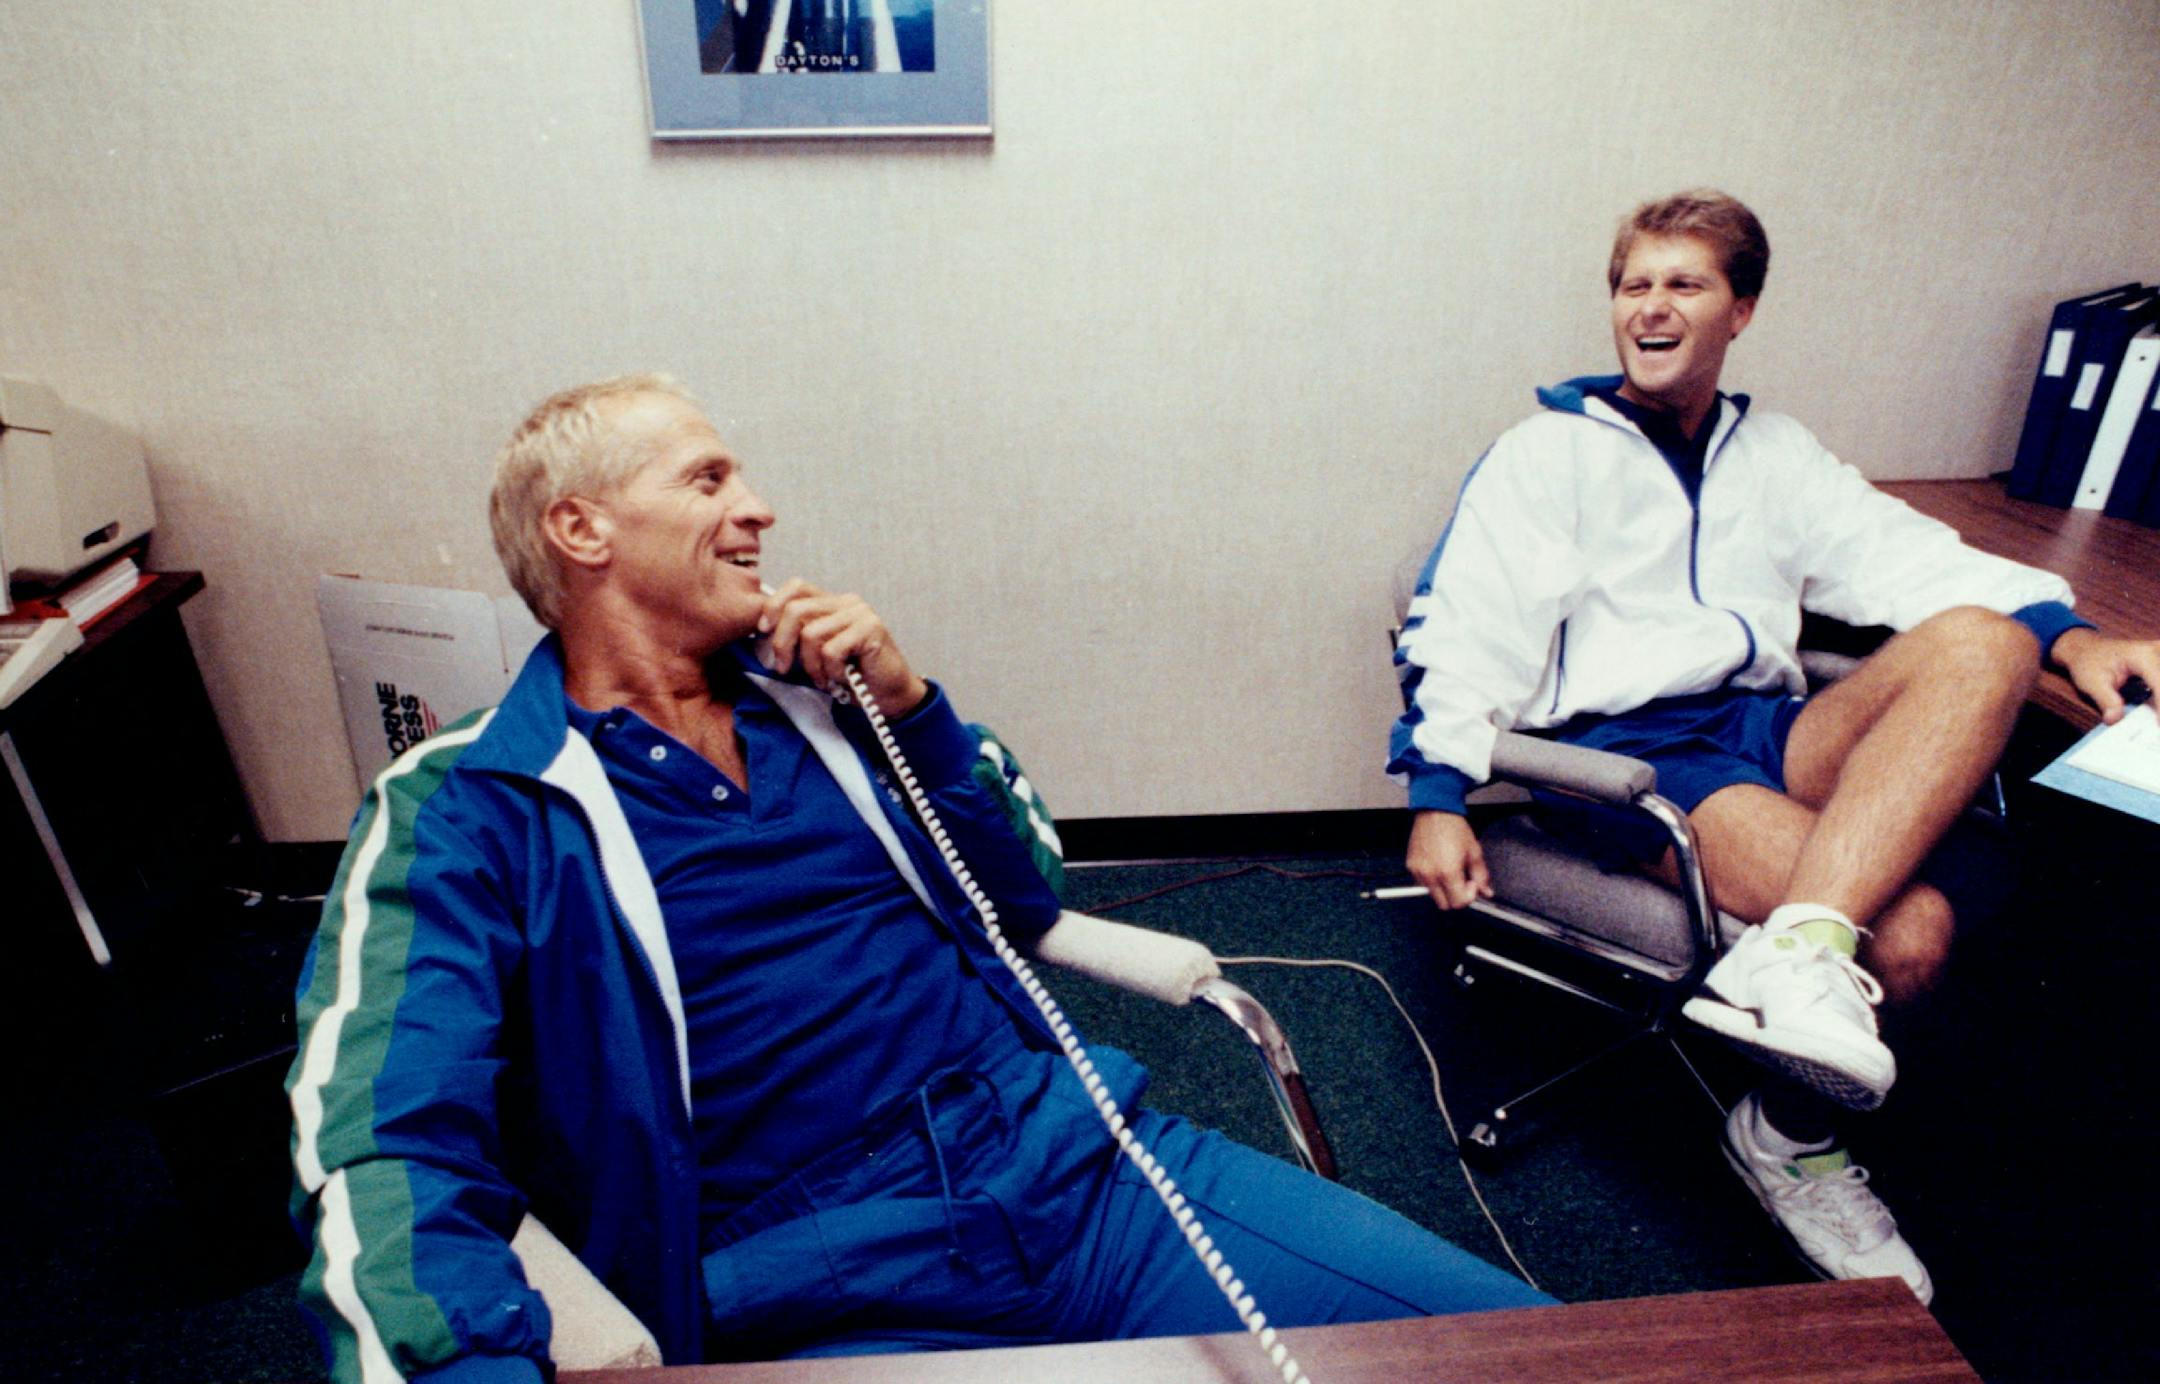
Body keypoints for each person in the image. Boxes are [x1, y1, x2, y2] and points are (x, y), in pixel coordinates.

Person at [287, 375, 1549, 1383]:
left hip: (1074, 1171)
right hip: (809, 1283)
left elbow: (1027, 890)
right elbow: (384, 1156)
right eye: (710, 476)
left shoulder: (831, 715)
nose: (760, 509)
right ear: (583, 528)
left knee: (1541, 1354)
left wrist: (908, 702)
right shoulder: (465, 807)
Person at [1388, 190, 2160, 1306]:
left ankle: (1793, 952)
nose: (1650, 307)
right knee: (1913, 934)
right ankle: (1785, 1134)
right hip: (1636, 753)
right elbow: (1461, 624)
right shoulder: (1543, 454)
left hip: (1765, 722)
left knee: (1986, 642)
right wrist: (1440, 789)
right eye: (1633, 284)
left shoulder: (1776, 452)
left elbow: (1911, 560)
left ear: (1741, 308)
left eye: (1684, 283)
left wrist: (2077, 635)